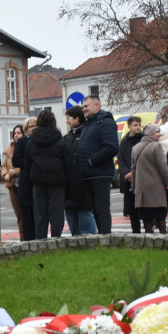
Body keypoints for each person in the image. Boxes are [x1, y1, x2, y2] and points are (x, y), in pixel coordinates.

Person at [25, 109, 74, 238]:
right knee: (56, 214)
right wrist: (71, 185)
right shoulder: (60, 140)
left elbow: (27, 165)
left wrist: (27, 185)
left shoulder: (32, 142)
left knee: (40, 216)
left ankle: (41, 242)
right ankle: (56, 240)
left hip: (38, 182)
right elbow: (68, 164)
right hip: (57, 182)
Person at [76, 95, 119, 233]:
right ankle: (101, 238)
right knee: (95, 209)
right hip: (88, 174)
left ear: (97, 106)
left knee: (102, 209)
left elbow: (111, 147)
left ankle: (106, 238)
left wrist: (92, 160)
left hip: (100, 173)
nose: (83, 109)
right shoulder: (89, 123)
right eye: (83, 106)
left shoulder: (105, 122)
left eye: (86, 106)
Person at [130, 122, 168, 233]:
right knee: (160, 216)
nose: (159, 134)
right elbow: (163, 167)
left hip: (141, 190)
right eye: (157, 132)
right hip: (156, 189)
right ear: (151, 133)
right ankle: (163, 239)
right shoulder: (156, 146)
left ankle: (149, 241)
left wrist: (134, 186)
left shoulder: (135, 148)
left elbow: (133, 169)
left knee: (146, 218)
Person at [62, 107, 96, 236]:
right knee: (74, 227)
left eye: (68, 118)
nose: (67, 121)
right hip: (69, 187)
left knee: (87, 225)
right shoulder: (67, 137)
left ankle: (93, 247)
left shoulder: (86, 135)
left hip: (83, 184)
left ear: (77, 119)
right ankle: (76, 247)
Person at [117, 116, 144, 233]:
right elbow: (121, 158)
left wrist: (134, 173)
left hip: (142, 178)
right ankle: (135, 232)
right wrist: (126, 173)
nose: (138, 127)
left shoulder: (143, 139)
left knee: (144, 208)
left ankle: (149, 230)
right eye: (135, 125)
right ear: (129, 126)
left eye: (139, 125)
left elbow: (144, 159)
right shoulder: (124, 141)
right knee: (132, 210)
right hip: (128, 180)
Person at [12, 116, 36, 240]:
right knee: (27, 216)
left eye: (35, 125)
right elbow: (16, 161)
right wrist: (32, 163)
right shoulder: (22, 142)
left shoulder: (41, 140)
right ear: (26, 129)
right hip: (26, 182)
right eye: (31, 126)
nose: (33, 128)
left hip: (39, 181)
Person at [1, 125, 24, 240]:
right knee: (19, 215)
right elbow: (4, 165)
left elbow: (28, 164)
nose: (16, 135)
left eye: (19, 133)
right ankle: (22, 239)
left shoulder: (26, 145)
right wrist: (5, 174)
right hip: (12, 185)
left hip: (23, 183)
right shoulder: (10, 149)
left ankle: (28, 238)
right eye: (15, 133)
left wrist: (15, 171)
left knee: (26, 214)